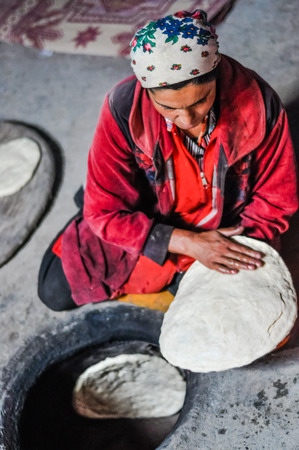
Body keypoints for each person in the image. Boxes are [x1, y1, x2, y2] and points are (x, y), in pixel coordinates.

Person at [38, 9, 298, 311]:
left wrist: (237, 245)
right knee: (54, 290)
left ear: (217, 74)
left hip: (227, 225)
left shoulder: (258, 104)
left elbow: (275, 201)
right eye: (168, 108)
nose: (187, 118)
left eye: (200, 100)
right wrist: (187, 243)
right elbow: (104, 212)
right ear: (147, 93)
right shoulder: (123, 109)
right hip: (155, 220)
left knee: (230, 312)